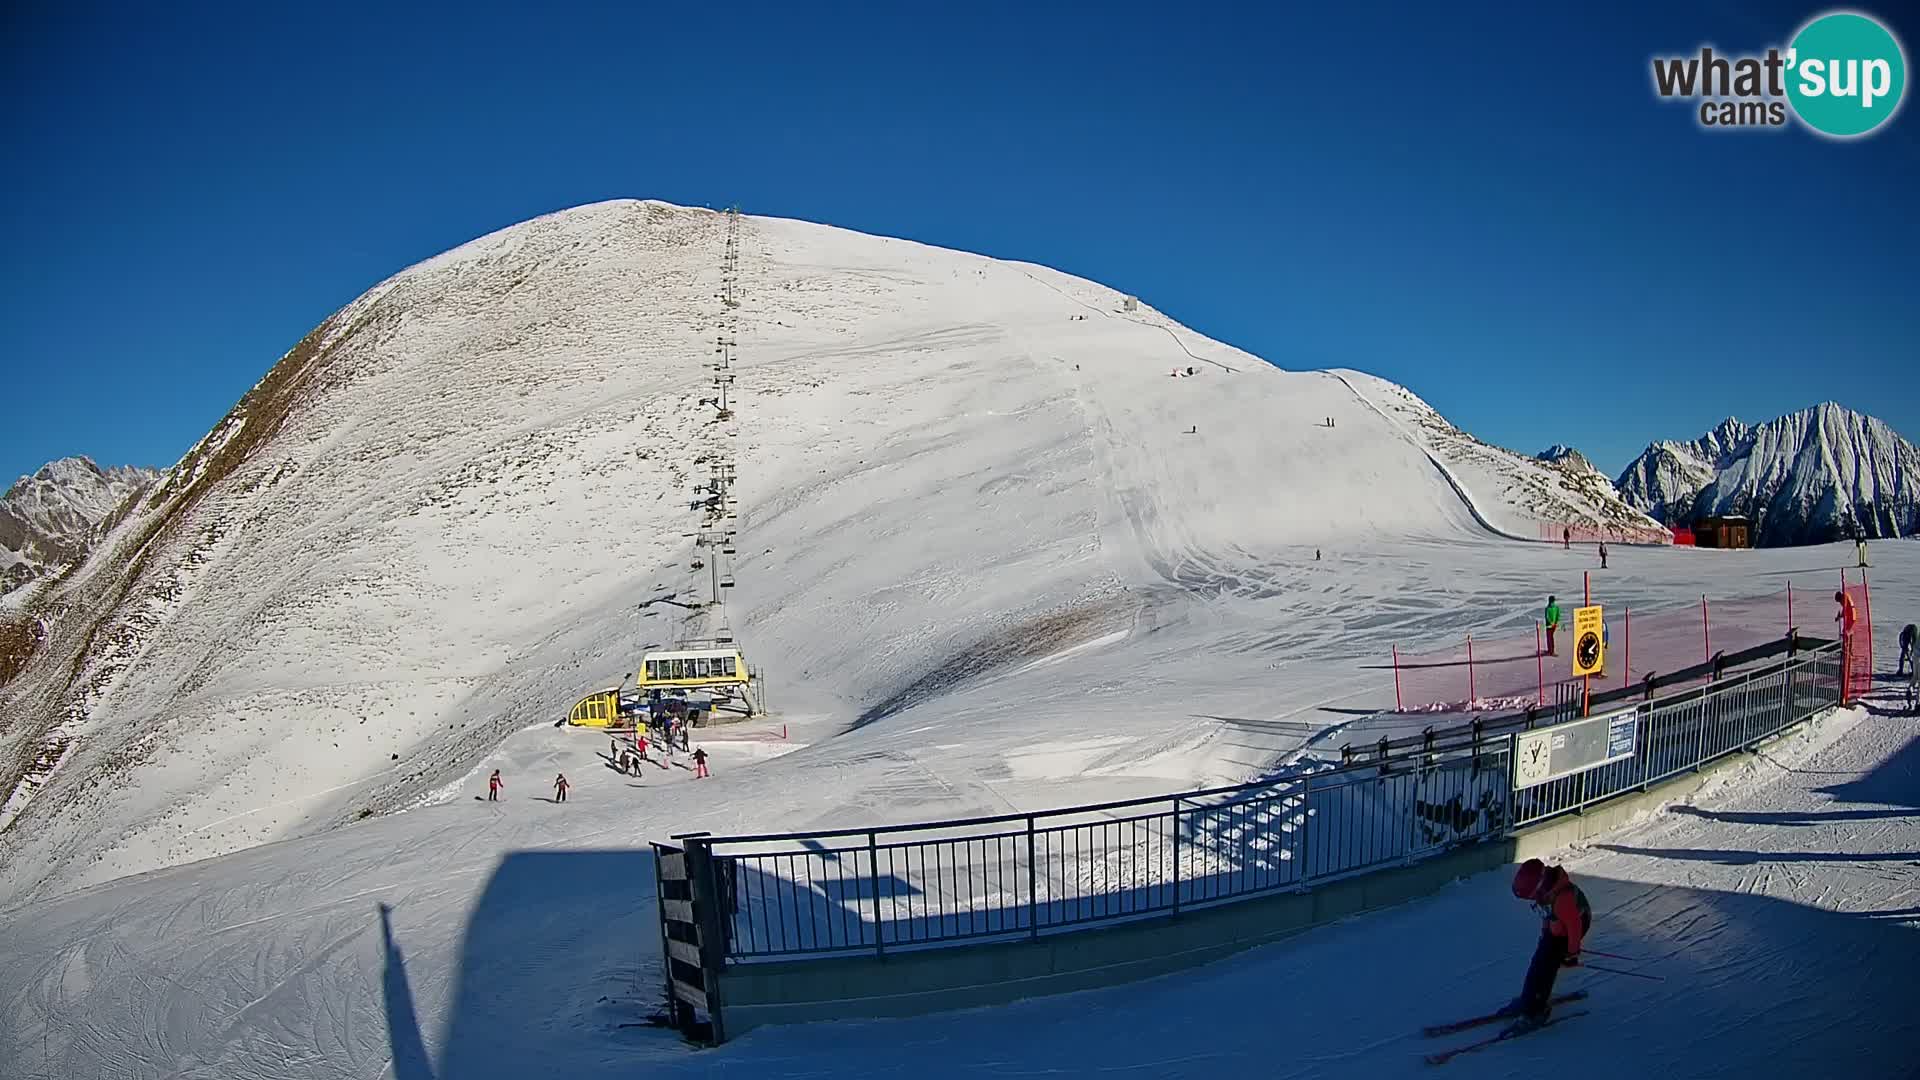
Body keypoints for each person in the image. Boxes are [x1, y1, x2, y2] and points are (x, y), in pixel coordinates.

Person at [1508, 858, 1590, 1030]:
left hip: (1567, 934)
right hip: (1555, 930)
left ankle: (1537, 1009)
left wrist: (1572, 952)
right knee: (1537, 963)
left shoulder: (1563, 898)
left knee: (1546, 968)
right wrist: (1546, 932)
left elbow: (1575, 926)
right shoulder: (1547, 893)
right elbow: (1547, 914)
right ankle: (1528, 999)